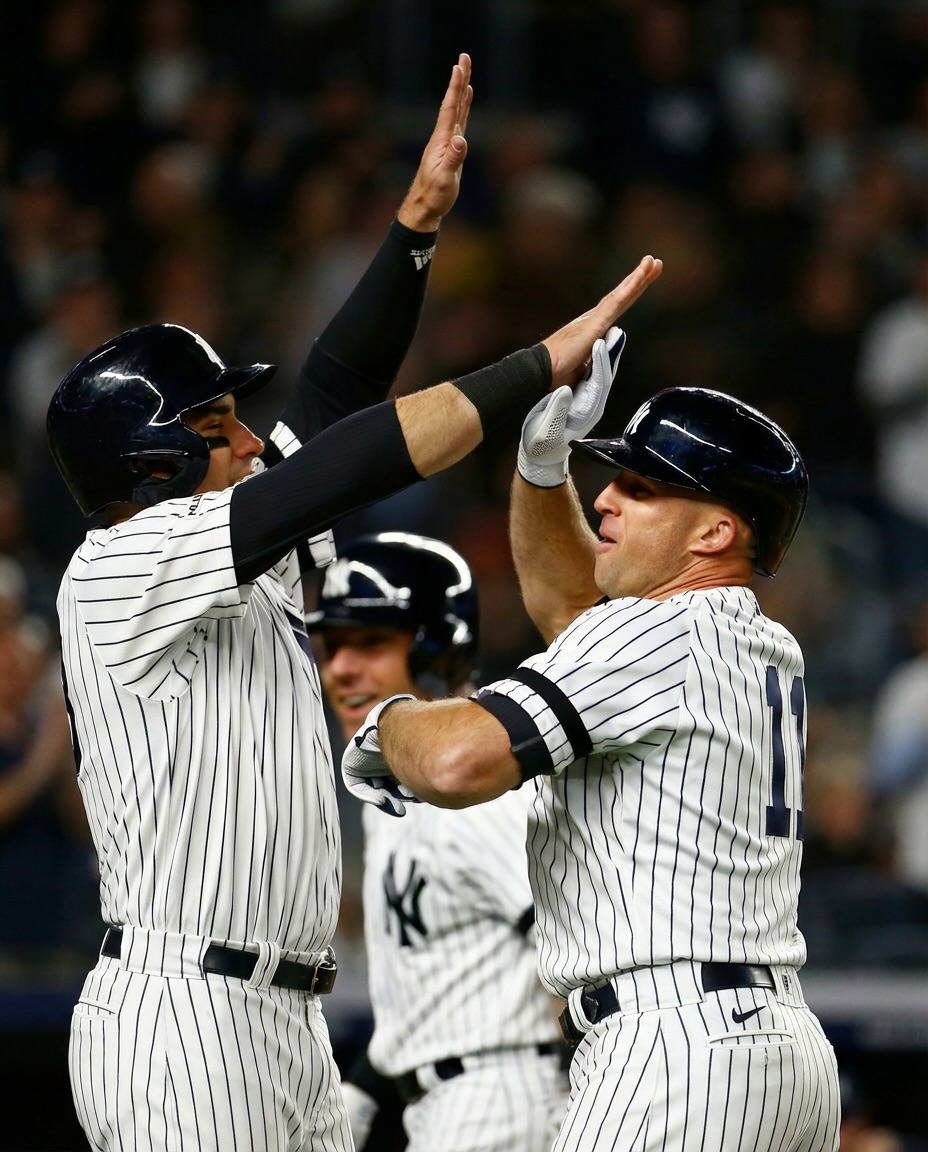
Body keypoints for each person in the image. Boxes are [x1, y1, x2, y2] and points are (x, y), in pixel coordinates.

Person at [44, 45, 664, 1150]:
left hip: (281, 1022)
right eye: (213, 427)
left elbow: (330, 396)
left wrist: (415, 228)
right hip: (184, 1013)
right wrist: (534, 363)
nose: (243, 437)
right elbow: (345, 462)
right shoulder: (117, 571)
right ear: (151, 466)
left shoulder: (234, 540)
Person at [340, 330, 843, 1151]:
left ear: (714, 534)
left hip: (673, 1055)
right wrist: (544, 468)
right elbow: (578, 623)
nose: (606, 498)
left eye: (640, 488)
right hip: (772, 1049)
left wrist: (385, 716)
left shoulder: (660, 635)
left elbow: (459, 759)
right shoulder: (746, 638)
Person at [308, 531, 568, 1152]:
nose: (340, 668)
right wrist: (365, 1091)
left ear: (435, 651)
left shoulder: (473, 790)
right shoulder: (397, 786)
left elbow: (576, 953)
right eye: (333, 644)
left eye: (370, 644)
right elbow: (438, 987)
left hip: (504, 1098)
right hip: (453, 1100)